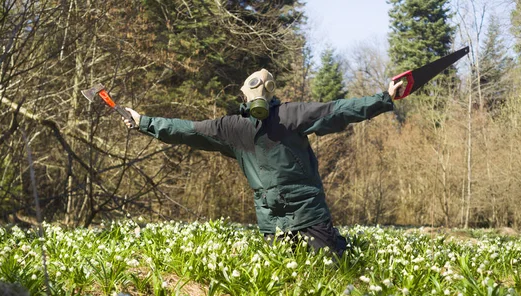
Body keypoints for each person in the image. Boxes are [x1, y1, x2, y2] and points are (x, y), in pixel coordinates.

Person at [123, 69, 403, 259]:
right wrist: (143, 122)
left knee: (338, 267)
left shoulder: (291, 114)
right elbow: (188, 130)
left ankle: (346, 249)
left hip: (308, 214)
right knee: (283, 276)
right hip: (272, 221)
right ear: (245, 96)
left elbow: (338, 110)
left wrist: (384, 99)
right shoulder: (233, 128)